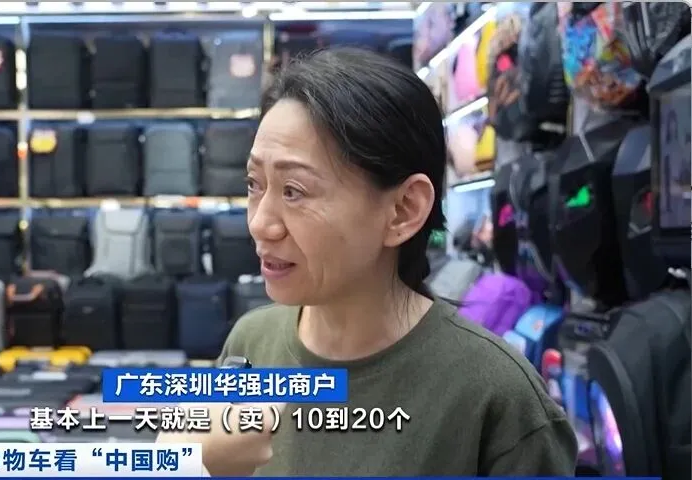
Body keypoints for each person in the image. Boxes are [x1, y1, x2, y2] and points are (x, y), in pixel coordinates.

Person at [157, 47, 578, 476]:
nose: (260, 224)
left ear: (403, 210)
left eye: (294, 191)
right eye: (254, 184)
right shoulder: (250, 344)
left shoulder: (500, 402)